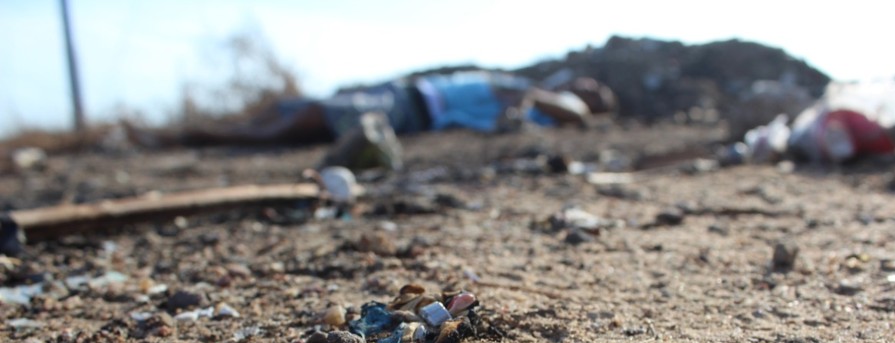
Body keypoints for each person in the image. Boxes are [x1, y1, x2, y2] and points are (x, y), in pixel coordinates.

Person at [128, 70, 617, 148]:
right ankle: (215, 133)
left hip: (413, 106)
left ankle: (210, 137)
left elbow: (574, 113)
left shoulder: (550, 103)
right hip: (406, 94)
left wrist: (537, 96)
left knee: (308, 116)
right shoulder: (529, 90)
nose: (582, 84)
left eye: (592, 88)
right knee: (290, 110)